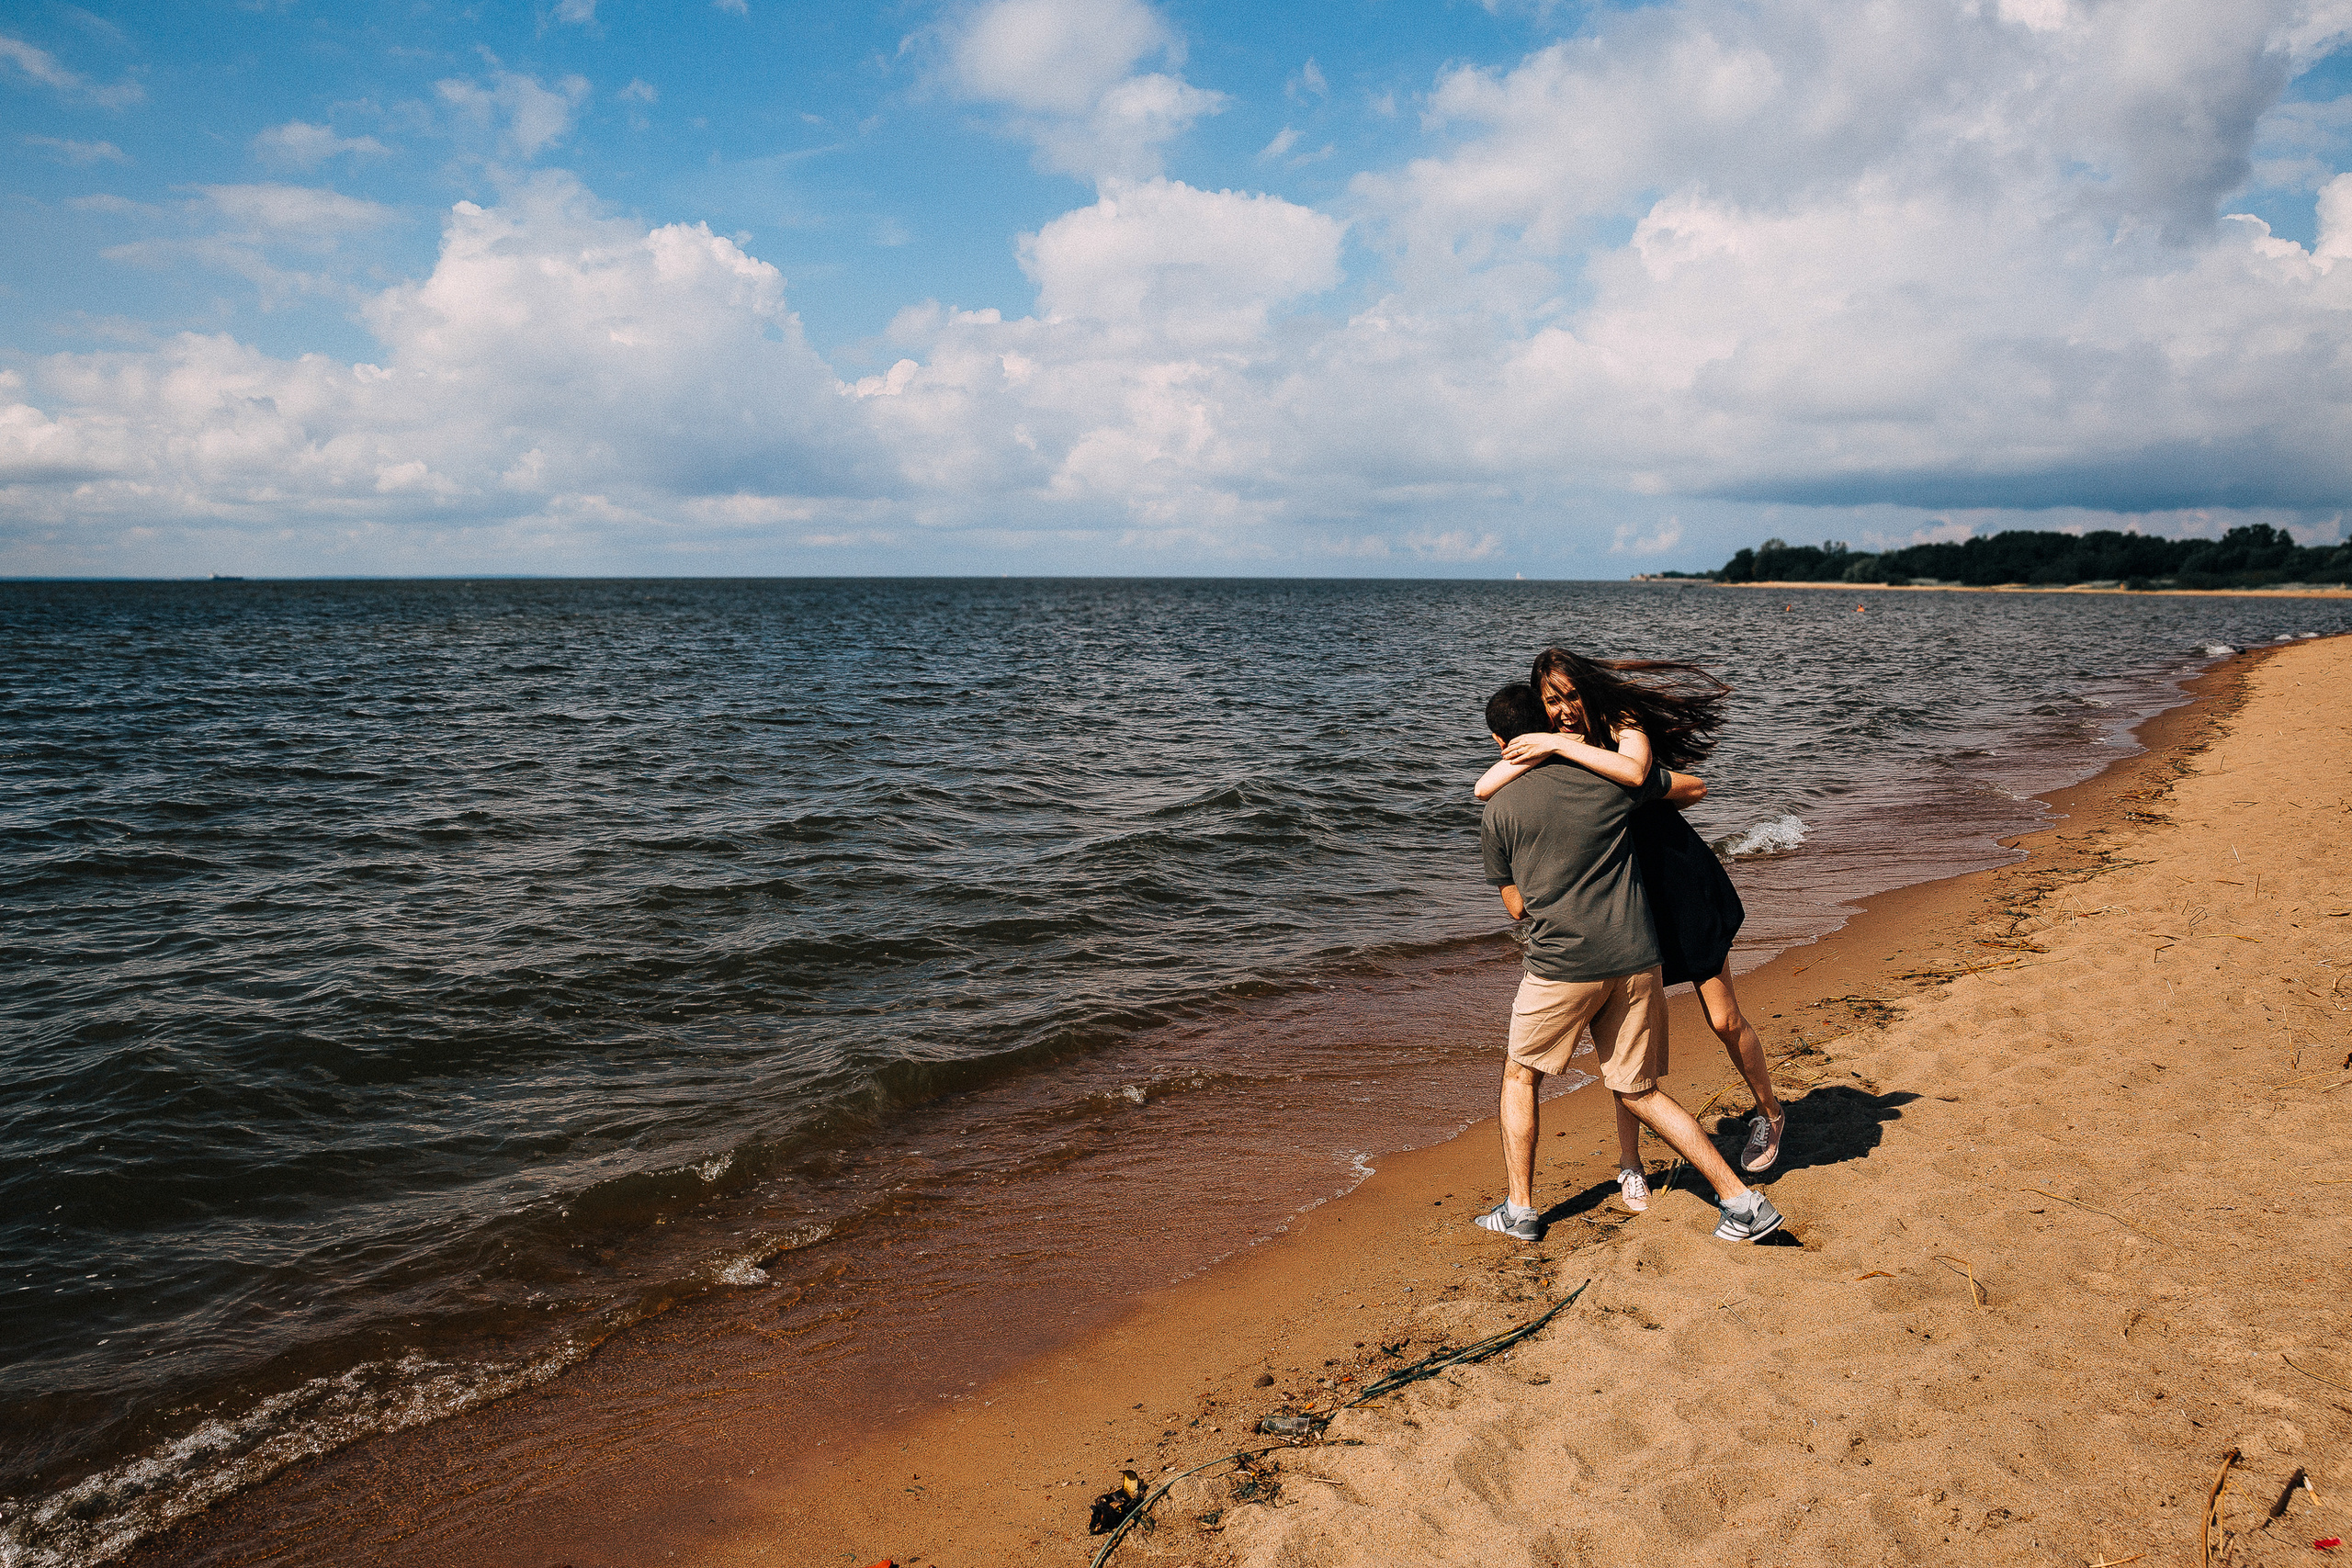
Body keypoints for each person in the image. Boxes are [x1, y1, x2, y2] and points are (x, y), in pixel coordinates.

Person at [1475, 649, 1786, 1213]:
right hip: (1625, 897)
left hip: (1675, 883)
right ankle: (1630, 1162)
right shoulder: (1555, 744)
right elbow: (1485, 786)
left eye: (1571, 696)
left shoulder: (1621, 723)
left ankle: (1770, 1112)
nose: (1565, 710)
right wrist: (1547, 744)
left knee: (1722, 1019)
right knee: (1626, 1051)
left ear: (1588, 691)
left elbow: (1674, 784)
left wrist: (1559, 746)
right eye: (1552, 702)